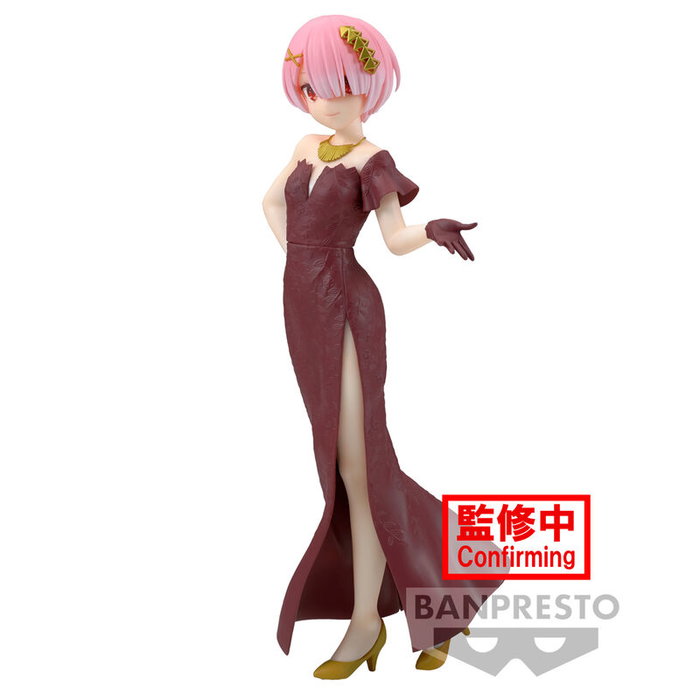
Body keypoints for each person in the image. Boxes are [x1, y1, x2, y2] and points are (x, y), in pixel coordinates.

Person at [262, 14, 506, 678]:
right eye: (310, 85)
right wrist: (301, 260)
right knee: (348, 463)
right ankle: (452, 580)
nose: (323, 98)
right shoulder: (306, 145)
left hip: (349, 308)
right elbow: (270, 205)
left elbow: (394, 240)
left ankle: (367, 620)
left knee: (359, 463)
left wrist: (430, 229)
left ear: (366, 86)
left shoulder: (373, 162)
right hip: (303, 308)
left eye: (337, 84)